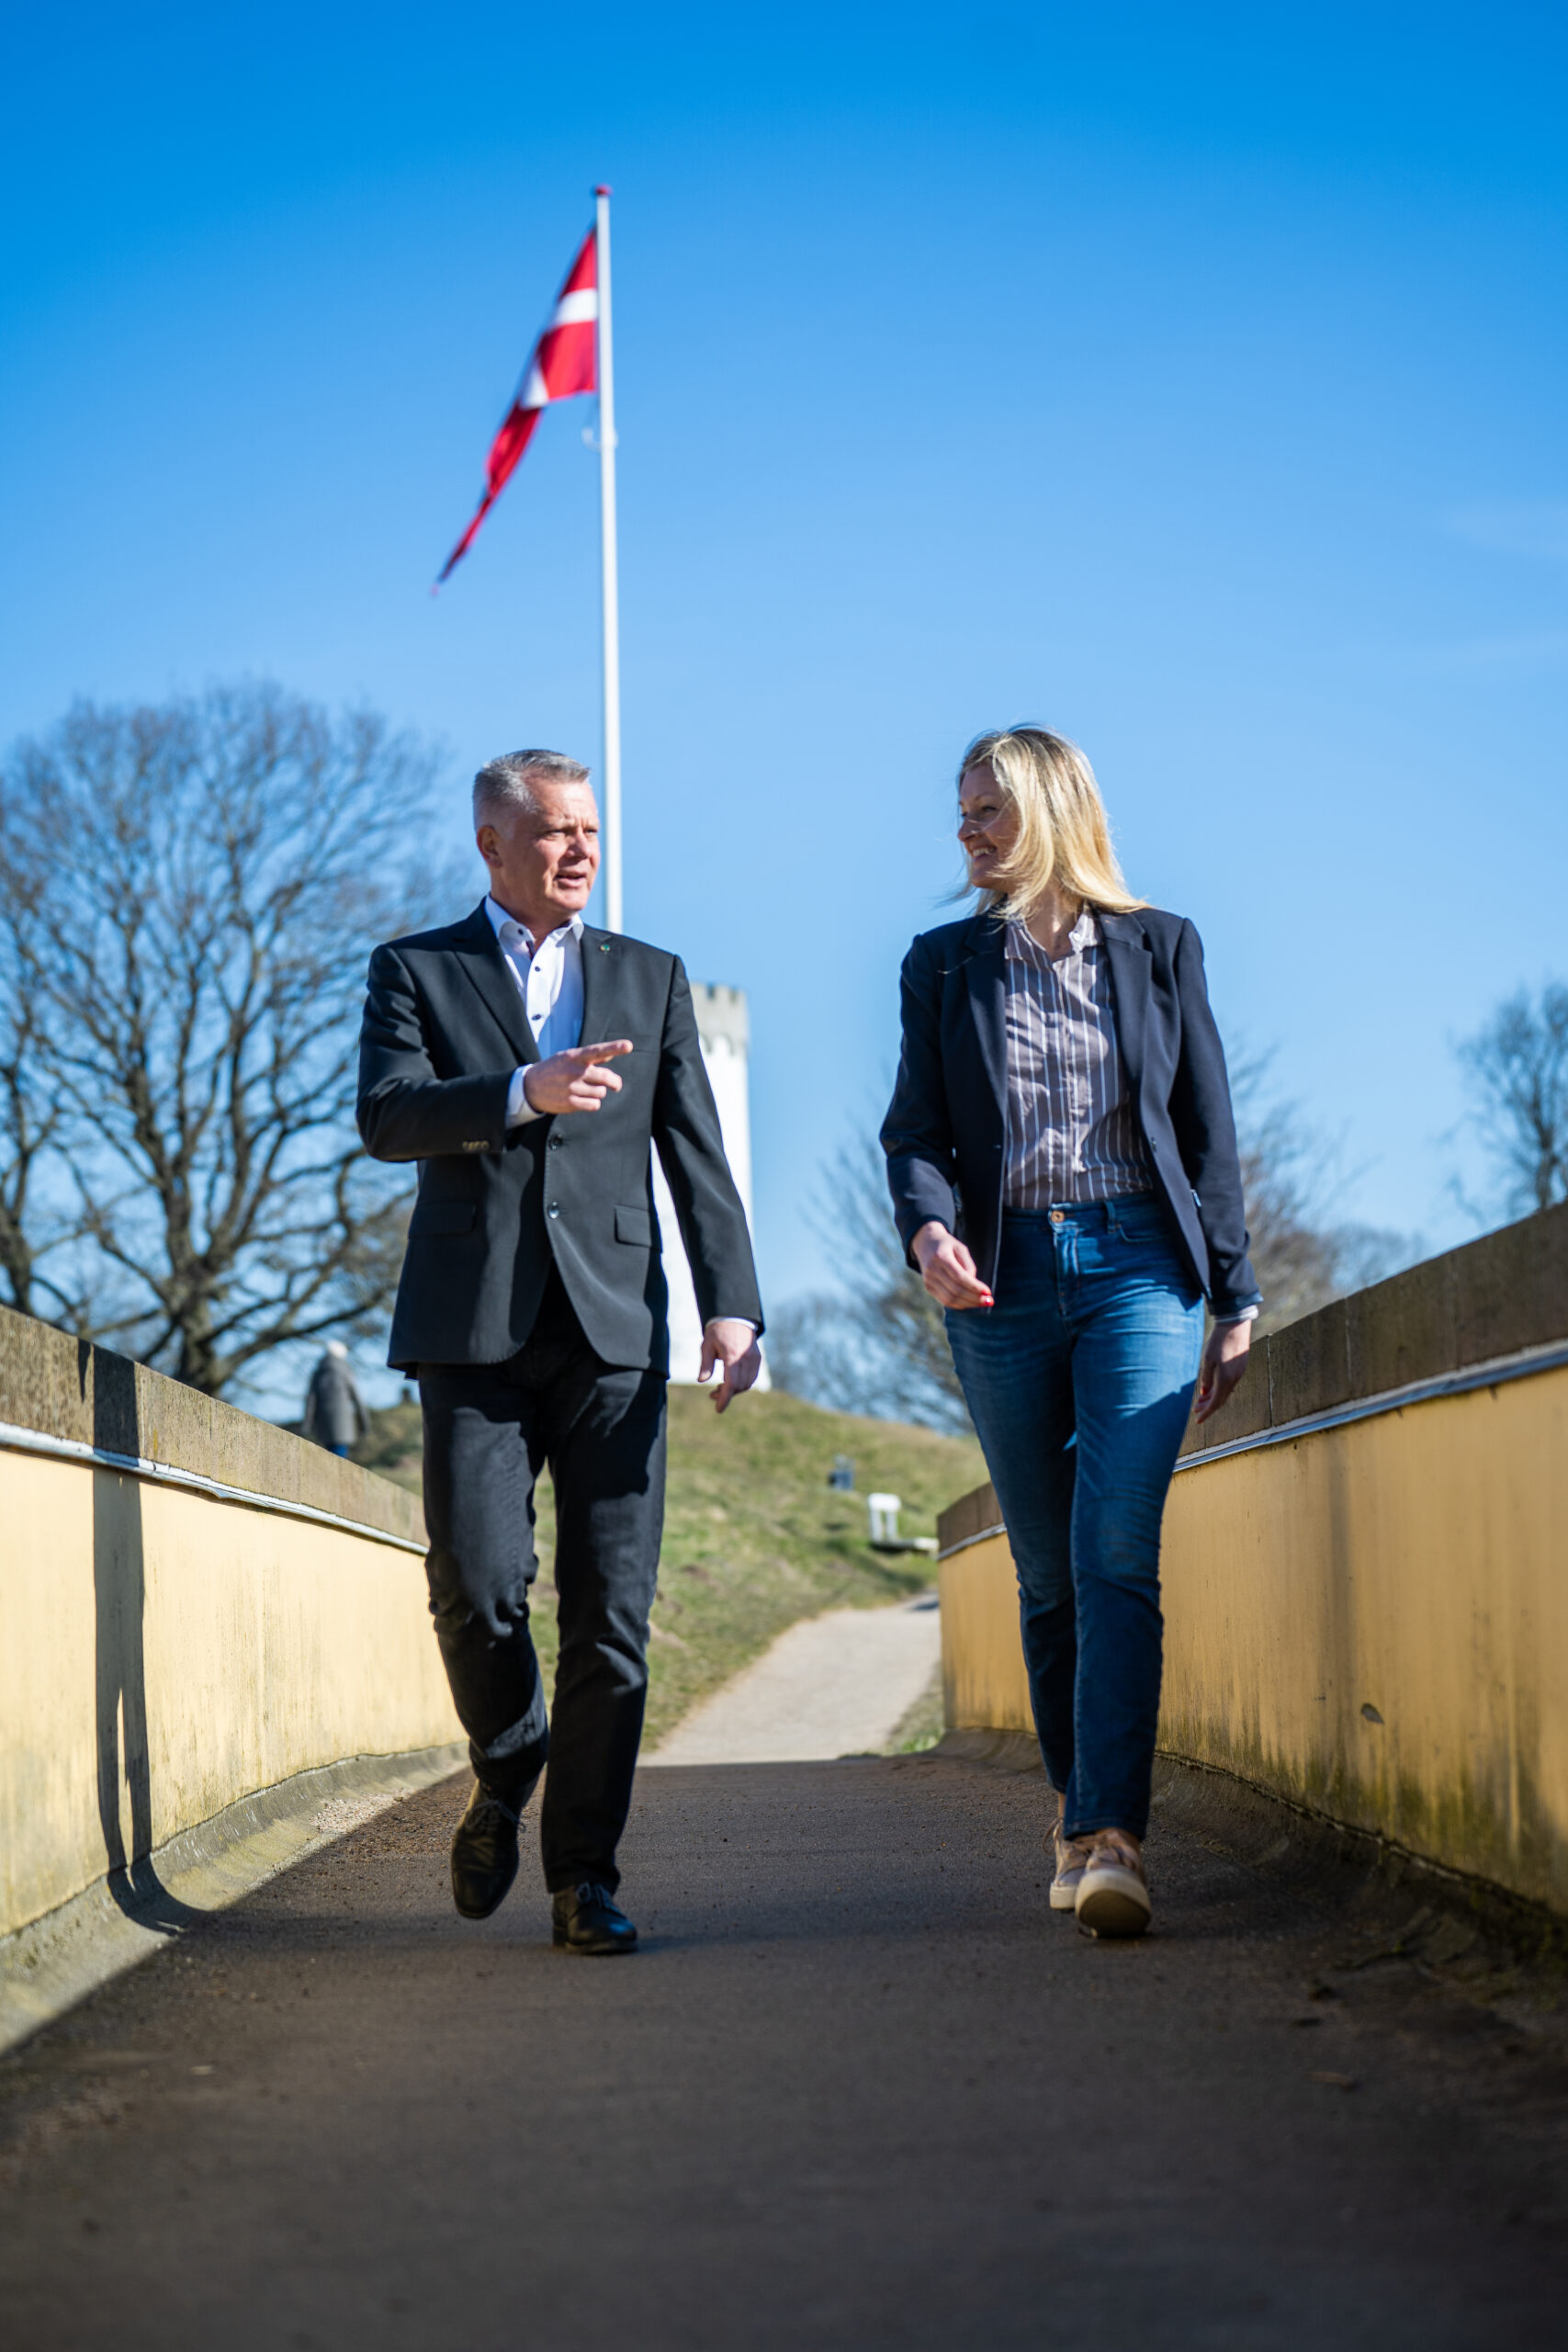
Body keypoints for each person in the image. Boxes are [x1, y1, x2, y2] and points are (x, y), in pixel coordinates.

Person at [357, 749, 763, 1955]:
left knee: (610, 1618)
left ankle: (582, 1876)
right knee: (475, 1587)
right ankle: (506, 1754)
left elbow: (695, 1154)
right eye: (553, 831)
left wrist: (731, 1306)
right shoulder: (415, 968)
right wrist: (520, 1091)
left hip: (615, 1335)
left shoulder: (649, 976)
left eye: (589, 829)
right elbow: (387, 1115)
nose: (580, 848)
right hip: (470, 1330)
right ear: (492, 844)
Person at [881, 727, 1259, 1938]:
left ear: (1049, 810)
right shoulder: (943, 965)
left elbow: (1205, 1125)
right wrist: (928, 1232)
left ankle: (1112, 1838)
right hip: (1000, 1281)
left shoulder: (1159, 945)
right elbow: (915, 1131)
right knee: (1045, 1572)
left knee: (1114, 1549)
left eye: (987, 809)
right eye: (961, 811)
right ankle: (1071, 1808)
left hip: (1140, 1266)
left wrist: (1236, 1293)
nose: (966, 831)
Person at [302, 1340, 368, 1459]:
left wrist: (307, 1424)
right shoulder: (346, 1371)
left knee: (327, 1457)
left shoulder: (318, 1373)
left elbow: (311, 1401)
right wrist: (364, 1423)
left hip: (323, 1423)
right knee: (340, 1457)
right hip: (343, 1423)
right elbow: (357, 1398)